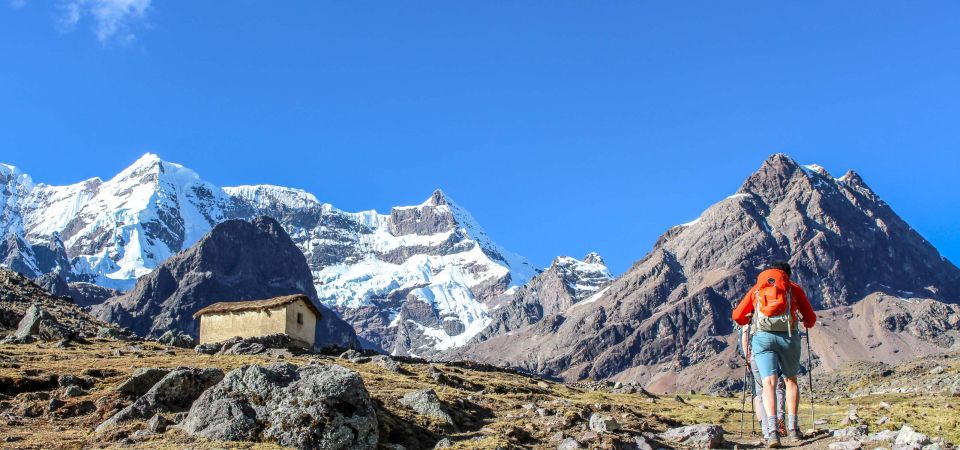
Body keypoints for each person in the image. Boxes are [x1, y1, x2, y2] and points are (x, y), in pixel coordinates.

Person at [732, 261, 816, 448]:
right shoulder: (794, 289)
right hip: (788, 337)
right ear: (788, 275)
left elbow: (738, 316)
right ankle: (793, 429)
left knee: (768, 383)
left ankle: (772, 433)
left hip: (762, 339)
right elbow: (810, 319)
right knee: (790, 380)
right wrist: (804, 322)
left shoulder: (757, 289)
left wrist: (751, 315)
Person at [741, 319, 786, 438]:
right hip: (773, 351)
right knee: (777, 386)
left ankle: (767, 430)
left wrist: (747, 357)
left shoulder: (750, 312)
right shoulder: (776, 311)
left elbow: (745, 332)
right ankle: (779, 423)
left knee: (760, 392)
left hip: (755, 354)